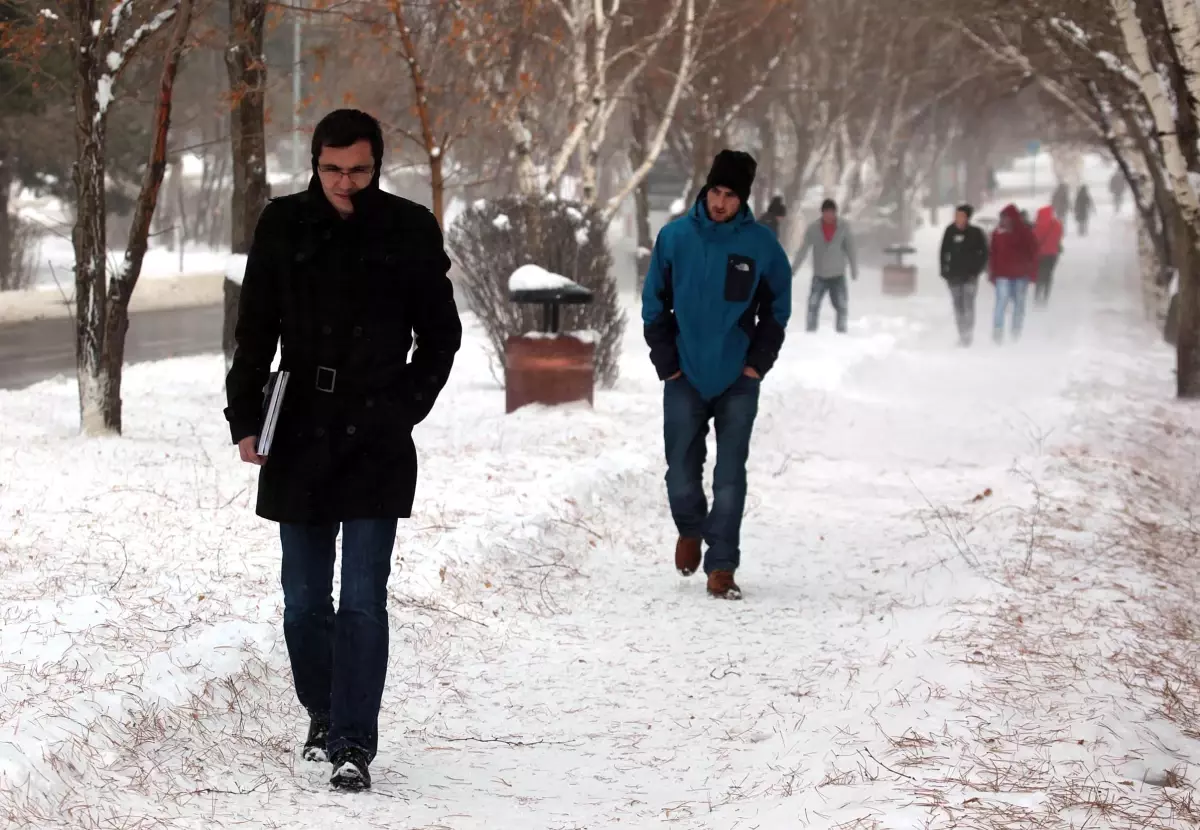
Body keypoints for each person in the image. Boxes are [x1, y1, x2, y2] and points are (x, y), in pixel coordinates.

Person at [224, 109, 462, 791]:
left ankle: (354, 742)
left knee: (362, 597)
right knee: (303, 601)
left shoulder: (409, 228)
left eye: (359, 170)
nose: (345, 182)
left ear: (377, 163)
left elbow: (440, 337)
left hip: (376, 433)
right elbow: (254, 331)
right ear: (314, 162)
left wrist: (403, 408)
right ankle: (322, 712)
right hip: (298, 428)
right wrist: (247, 417)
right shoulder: (283, 223)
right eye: (332, 169)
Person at [642, 150, 792, 601]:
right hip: (684, 375)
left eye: (730, 195)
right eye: (715, 192)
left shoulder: (761, 246)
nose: (720, 202)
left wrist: (757, 363)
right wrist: (667, 364)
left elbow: (778, 310)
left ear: (742, 199)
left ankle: (721, 565)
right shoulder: (674, 239)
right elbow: (654, 304)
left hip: (737, 380)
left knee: (730, 475)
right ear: (705, 191)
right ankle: (690, 528)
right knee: (680, 475)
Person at [794, 198, 858, 333]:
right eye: (826, 212)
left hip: (837, 274)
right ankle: (810, 332)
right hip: (820, 274)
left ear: (835, 213)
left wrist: (854, 268)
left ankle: (841, 332)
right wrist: (793, 269)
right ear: (822, 213)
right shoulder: (813, 228)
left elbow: (850, 249)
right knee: (813, 303)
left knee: (841, 304)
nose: (829, 215)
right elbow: (803, 250)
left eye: (832, 212)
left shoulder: (843, 227)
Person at [988, 204, 1040, 344]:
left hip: (1021, 276)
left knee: (1019, 304)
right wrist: (992, 273)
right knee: (1001, 302)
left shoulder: (1025, 233)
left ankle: (1015, 331)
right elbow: (992, 254)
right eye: (1003, 218)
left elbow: (1034, 253)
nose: (1005, 221)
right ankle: (998, 331)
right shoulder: (997, 234)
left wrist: (1033, 273)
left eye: (1007, 218)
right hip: (1002, 275)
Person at [939, 204, 989, 347]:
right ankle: (961, 333)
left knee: (968, 305)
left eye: (960, 216)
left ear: (967, 217)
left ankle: (968, 334)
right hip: (953, 276)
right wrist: (944, 271)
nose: (957, 218)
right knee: (958, 306)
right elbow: (943, 252)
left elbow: (984, 253)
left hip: (970, 277)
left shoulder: (976, 233)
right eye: (956, 215)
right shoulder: (950, 231)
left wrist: (978, 270)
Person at [1032, 205, 1064, 307]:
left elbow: (1034, 239)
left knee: (1039, 274)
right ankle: (1046, 296)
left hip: (1040, 255)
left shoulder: (1038, 226)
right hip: (1052, 254)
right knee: (1049, 274)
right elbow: (1060, 236)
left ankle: (1037, 295)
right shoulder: (1057, 224)